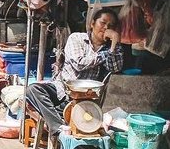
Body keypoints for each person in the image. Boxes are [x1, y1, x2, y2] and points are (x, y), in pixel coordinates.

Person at [26, 8, 123, 145]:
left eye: (111, 26)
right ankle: (59, 128)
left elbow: (115, 68)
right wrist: (105, 55)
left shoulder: (111, 48)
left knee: (77, 117)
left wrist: (113, 45)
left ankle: (60, 126)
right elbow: (79, 63)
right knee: (32, 90)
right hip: (61, 89)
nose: (106, 28)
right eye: (103, 22)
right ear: (92, 24)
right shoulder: (76, 38)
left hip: (85, 99)